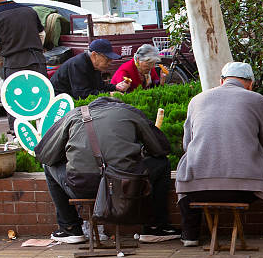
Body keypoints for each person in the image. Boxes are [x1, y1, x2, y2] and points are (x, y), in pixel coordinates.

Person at [175, 62, 263, 246]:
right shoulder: (258, 100)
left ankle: (189, 235)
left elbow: (186, 145)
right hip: (245, 190)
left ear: (221, 81)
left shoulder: (196, 100)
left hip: (198, 190)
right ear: (250, 83)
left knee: (187, 162)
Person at [33, 96, 180, 243]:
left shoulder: (73, 115)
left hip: (81, 186)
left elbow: (44, 154)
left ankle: (70, 228)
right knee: (163, 163)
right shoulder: (129, 112)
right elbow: (161, 149)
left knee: (49, 166)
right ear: (117, 105)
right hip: (125, 186)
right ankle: (155, 227)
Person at [51, 39, 129, 99]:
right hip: (60, 102)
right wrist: (109, 94)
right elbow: (81, 94)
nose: (109, 63)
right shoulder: (78, 65)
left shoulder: (96, 66)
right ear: (94, 55)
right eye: (107, 59)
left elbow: (99, 87)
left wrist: (115, 87)